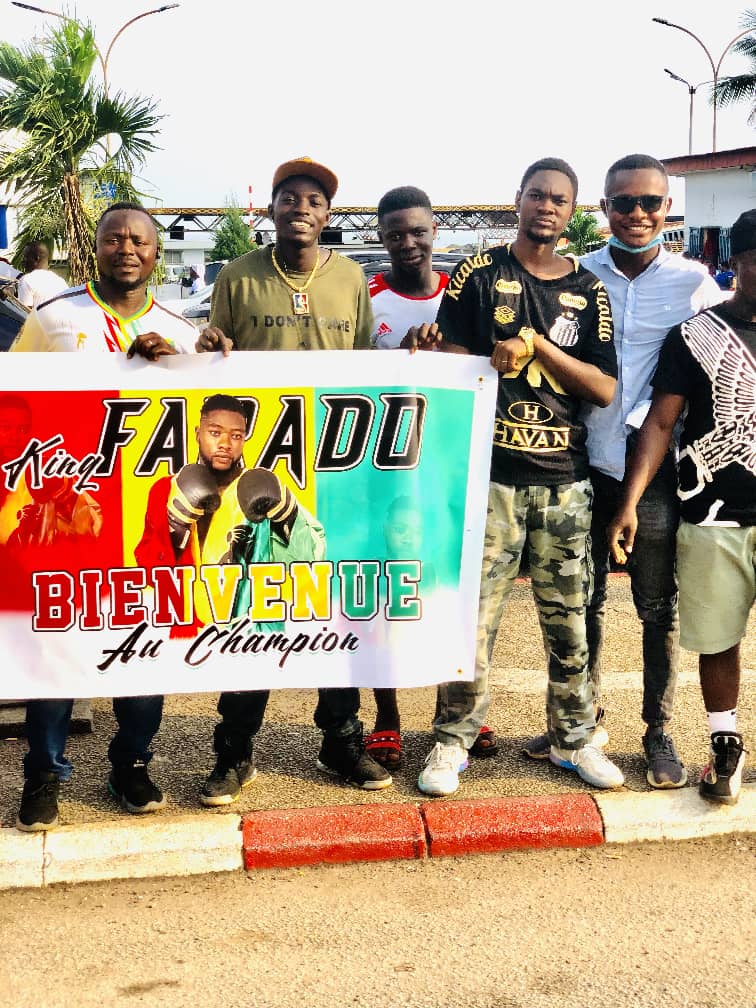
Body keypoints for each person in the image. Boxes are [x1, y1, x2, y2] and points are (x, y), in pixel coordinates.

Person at [404, 157, 624, 797]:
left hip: (565, 482)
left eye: (559, 199)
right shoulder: (480, 273)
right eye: (537, 195)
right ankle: (453, 740)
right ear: (519, 200)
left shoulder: (588, 289)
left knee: (570, 625)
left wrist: (539, 346)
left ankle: (573, 739)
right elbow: (450, 363)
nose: (546, 206)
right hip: (489, 480)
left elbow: (604, 389)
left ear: (573, 211)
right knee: (472, 622)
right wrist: (436, 351)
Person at [522, 155, 724, 789]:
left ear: (667, 208)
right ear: (603, 208)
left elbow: (721, 366)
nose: (638, 214)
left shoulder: (694, 284)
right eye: (624, 203)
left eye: (650, 203)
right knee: (583, 601)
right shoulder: (577, 277)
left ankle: (659, 730)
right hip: (580, 461)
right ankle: (583, 724)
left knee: (657, 605)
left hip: (656, 471)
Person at [196, 155, 391, 797]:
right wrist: (207, 347)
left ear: (328, 214)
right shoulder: (239, 275)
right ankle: (234, 750)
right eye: (290, 198)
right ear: (272, 208)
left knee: (331, 603)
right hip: (261, 468)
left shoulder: (351, 278)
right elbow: (215, 365)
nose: (301, 209)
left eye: (314, 200)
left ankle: (341, 740)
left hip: (334, 465)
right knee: (253, 608)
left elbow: (367, 369)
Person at [11, 201, 198, 832]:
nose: (127, 249)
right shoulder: (54, 316)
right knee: (55, 651)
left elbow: (203, 418)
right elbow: (16, 402)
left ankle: (131, 765)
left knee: (143, 650)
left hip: (144, 524)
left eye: (139, 240)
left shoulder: (181, 330)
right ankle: (44, 775)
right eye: (114, 238)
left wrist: (198, 361)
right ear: (95, 248)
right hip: (71, 516)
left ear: (156, 253)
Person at [607, 208, 755, 806]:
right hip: (715, 516)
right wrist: (630, 501)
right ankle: (725, 744)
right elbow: (661, 423)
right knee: (718, 639)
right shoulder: (695, 335)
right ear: (737, 262)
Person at [364, 185, 496, 772]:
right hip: (386, 466)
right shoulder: (369, 298)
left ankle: (461, 710)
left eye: (418, 231)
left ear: (435, 230)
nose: (408, 243)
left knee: (456, 585)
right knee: (386, 590)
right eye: (395, 234)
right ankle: (386, 715)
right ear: (381, 237)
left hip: (452, 460)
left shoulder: (464, 291)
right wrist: (401, 361)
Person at [16, 241, 67, 309]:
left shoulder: (27, 280)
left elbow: (24, 312)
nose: (23, 261)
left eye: (25, 257)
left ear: (36, 258)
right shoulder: (61, 281)